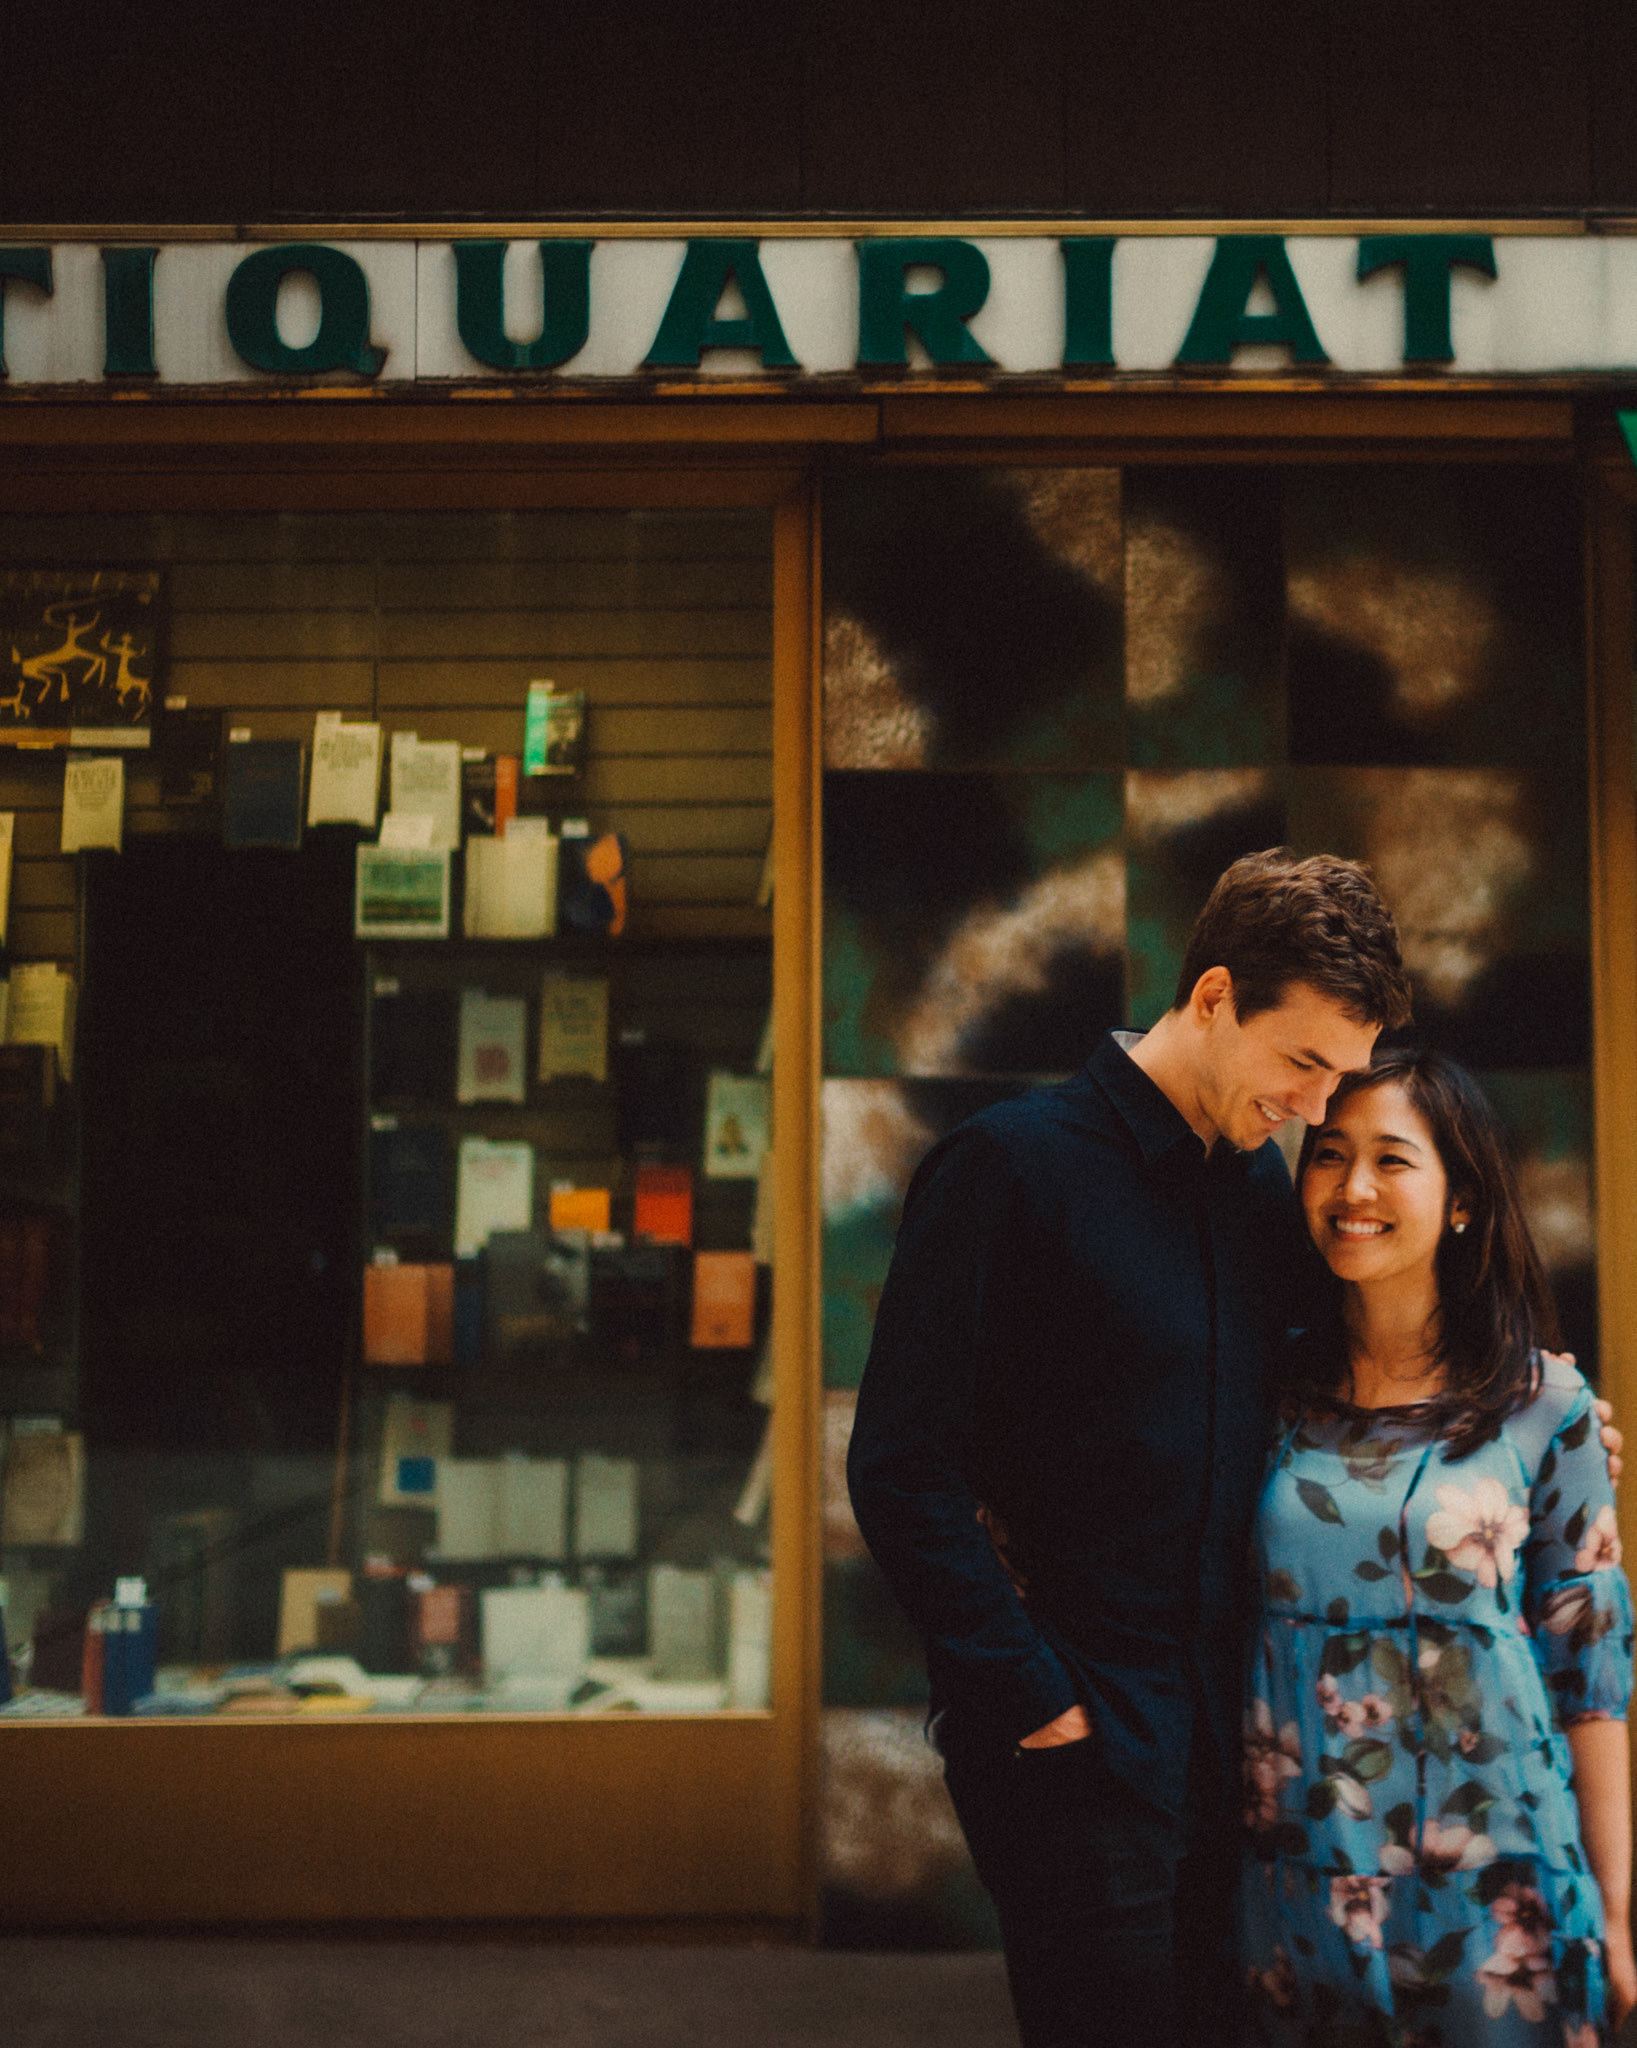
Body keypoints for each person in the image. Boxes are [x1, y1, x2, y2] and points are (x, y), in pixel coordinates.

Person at [847, 850, 1412, 2048]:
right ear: (1211, 996)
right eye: (1301, 1061)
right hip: (1074, 1739)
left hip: (1230, 1734)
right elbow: (899, 1466)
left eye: (1342, 1075)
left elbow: (1337, 1393)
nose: (1316, 1109)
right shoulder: (1008, 1167)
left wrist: (1527, 1415)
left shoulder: (1260, 1197)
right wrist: (1033, 1699)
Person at [1243, 1048, 1634, 2045]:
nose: (1352, 1187)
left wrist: (1616, 1903)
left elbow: (1586, 1677)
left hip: (1496, 1864)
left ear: (1460, 1198)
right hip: (1300, 1853)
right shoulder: (1260, 1389)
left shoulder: (1547, 1407)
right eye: (1327, 1155)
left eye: (1389, 1157)